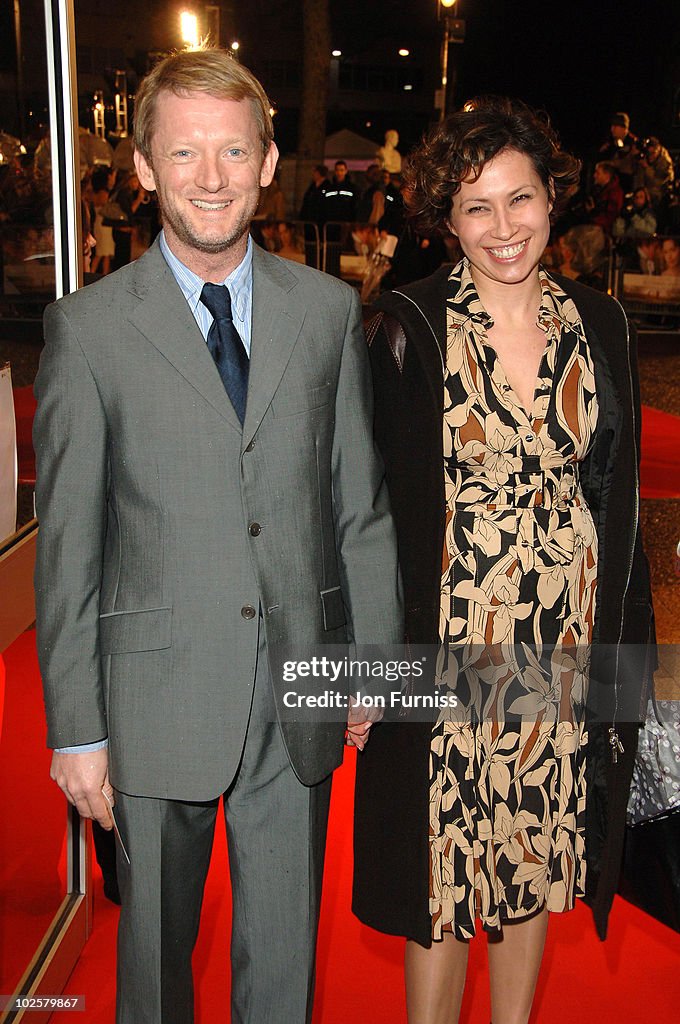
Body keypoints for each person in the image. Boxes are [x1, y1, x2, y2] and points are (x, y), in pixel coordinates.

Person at [34, 47, 402, 1024]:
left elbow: (355, 504)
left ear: (269, 161)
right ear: (145, 168)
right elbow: (68, 543)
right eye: (185, 154)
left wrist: (364, 668)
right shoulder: (90, 328)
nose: (211, 177)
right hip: (152, 695)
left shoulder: (325, 313)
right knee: (152, 968)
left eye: (232, 152)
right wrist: (76, 725)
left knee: (283, 964)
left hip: (299, 683)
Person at [353, 98, 654, 1024]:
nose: (503, 228)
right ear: (446, 218)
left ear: (551, 201)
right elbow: (362, 512)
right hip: (447, 648)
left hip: (561, 647)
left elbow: (624, 502)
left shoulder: (600, 325)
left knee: (535, 856)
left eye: (518, 200)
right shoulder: (404, 326)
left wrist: (625, 663)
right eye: (476, 208)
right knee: (438, 879)